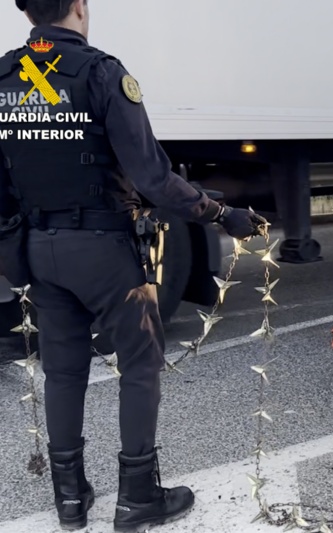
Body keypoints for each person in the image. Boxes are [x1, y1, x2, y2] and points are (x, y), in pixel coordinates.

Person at [0, 0, 266, 531]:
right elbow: (153, 179)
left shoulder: (4, 79)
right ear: (79, 5)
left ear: (29, 12)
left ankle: (70, 500)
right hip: (103, 249)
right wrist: (222, 213)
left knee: (64, 369)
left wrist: (15, 250)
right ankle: (138, 495)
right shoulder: (102, 73)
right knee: (140, 363)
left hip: (40, 249)